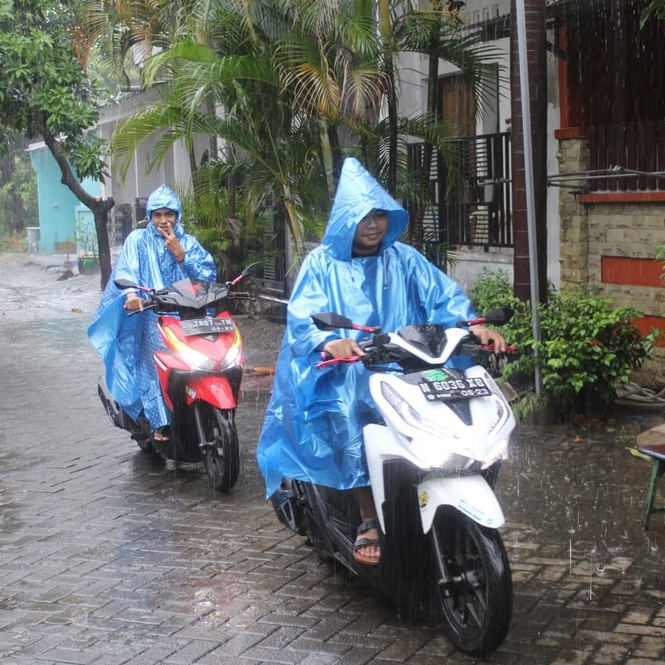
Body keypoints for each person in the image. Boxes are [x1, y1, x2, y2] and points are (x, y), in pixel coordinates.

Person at [256, 158, 506, 567]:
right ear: (344, 221)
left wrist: (473, 327)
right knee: (352, 406)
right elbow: (304, 317)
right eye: (363, 217)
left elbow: (443, 298)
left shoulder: (404, 258)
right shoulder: (322, 263)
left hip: (406, 364)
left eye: (379, 215)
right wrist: (330, 341)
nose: (373, 225)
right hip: (348, 369)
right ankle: (368, 517)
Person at [88, 184, 217, 441]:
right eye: (157, 215)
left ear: (177, 215)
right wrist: (133, 296)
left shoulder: (188, 242)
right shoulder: (138, 240)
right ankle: (159, 421)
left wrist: (182, 256)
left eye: (169, 214)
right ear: (149, 216)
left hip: (188, 316)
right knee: (154, 350)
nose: (163, 221)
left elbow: (208, 276)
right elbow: (127, 271)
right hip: (152, 315)